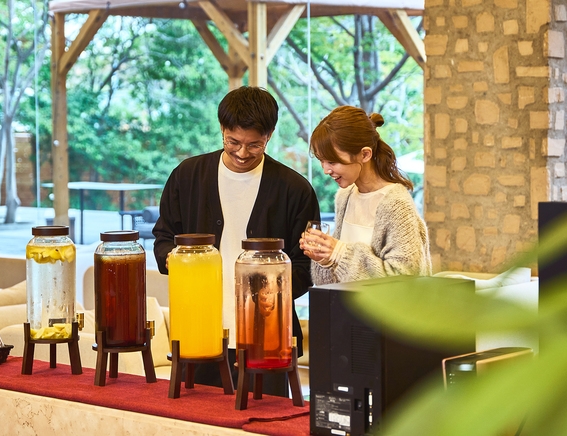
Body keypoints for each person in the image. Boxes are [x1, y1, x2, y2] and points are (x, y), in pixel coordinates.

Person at [153, 86, 320, 397]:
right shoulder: (188, 176)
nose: (242, 153)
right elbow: (164, 237)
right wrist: (177, 262)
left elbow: (305, 265)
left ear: (269, 136)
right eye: (233, 142)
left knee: (264, 415)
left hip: (267, 337)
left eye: (254, 145)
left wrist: (271, 294)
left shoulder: (294, 190)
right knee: (196, 415)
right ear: (222, 129)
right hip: (198, 330)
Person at [301, 105, 430, 285]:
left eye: (332, 161)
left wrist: (340, 253)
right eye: (321, 161)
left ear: (365, 154)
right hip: (343, 304)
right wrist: (325, 259)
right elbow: (331, 285)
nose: (325, 170)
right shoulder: (344, 197)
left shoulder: (396, 203)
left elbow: (405, 280)